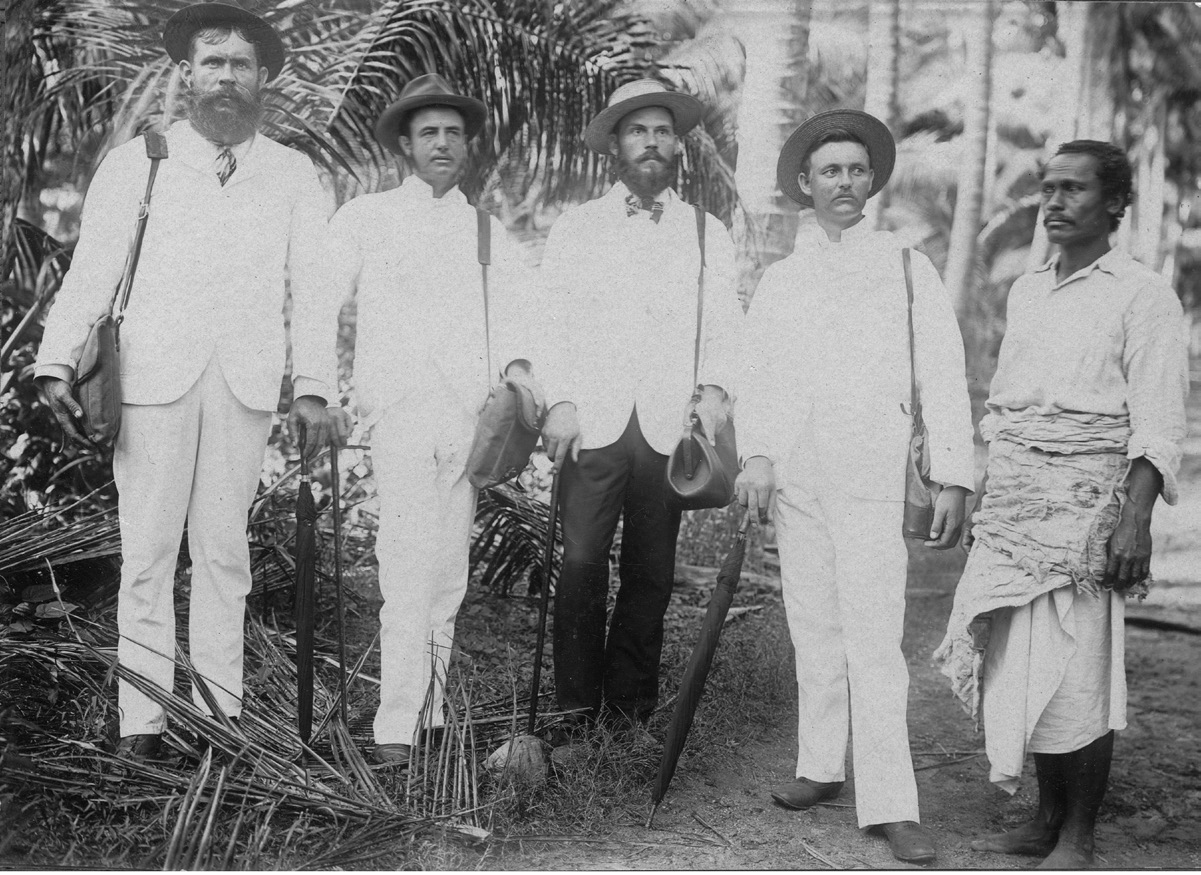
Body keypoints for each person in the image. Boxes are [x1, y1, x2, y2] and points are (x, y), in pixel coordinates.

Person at [35, 3, 340, 761]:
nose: (226, 78)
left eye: (240, 64)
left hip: (241, 383)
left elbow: (317, 287)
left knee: (223, 552)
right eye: (213, 63)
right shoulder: (140, 159)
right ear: (187, 74)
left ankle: (218, 717)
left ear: (262, 77)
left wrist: (312, 385)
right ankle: (141, 723)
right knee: (146, 552)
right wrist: (55, 361)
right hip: (151, 379)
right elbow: (92, 272)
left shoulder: (293, 173)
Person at [934, 140, 1188, 868]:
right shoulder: (1025, 287)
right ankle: (1045, 813)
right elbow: (1006, 401)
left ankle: (1078, 828)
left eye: (1073, 189)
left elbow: (1158, 418)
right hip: (1016, 497)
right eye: (1047, 187)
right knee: (1016, 654)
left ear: (1113, 203)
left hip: (1088, 499)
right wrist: (989, 488)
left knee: (1080, 665)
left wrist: (1133, 516)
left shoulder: (1143, 293)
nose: (1053, 201)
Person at [735, 109, 976, 864]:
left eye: (853, 169)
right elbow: (761, 378)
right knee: (814, 625)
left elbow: (942, 375)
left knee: (874, 639)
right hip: (800, 478)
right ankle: (819, 764)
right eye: (827, 171)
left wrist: (952, 475)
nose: (843, 182)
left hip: (872, 474)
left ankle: (891, 803)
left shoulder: (907, 268)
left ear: (871, 180)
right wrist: (758, 456)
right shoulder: (782, 279)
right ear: (803, 184)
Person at [324, 74, 541, 766]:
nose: (442, 143)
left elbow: (517, 323)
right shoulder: (366, 216)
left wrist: (513, 374)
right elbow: (319, 302)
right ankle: (394, 725)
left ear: (467, 144)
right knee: (405, 565)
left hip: (467, 417)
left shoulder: (486, 228)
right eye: (428, 133)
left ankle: (431, 712)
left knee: (448, 570)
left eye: (452, 132)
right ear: (405, 145)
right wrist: (321, 390)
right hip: (400, 412)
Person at [536, 79, 744, 737]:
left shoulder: (706, 233)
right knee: (579, 562)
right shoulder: (577, 227)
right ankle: (574, 708)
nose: (651, 142)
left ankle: (627, 711)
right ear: (615, 145)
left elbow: (723, 327)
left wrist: (712, 391)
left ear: (676, 144)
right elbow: (548, 323)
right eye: (637, 131)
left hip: (665, 427)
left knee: (650, 572)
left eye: (661, 131)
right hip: (593, 425)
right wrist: (561, 401)